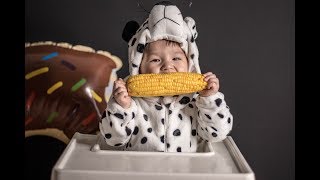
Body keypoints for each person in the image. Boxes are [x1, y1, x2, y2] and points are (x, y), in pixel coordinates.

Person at [99, 1, 233, 152]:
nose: (167, 66)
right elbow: (113, 140)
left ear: (190, 63)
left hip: (185, 172)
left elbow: (217, 134)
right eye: (156, 60)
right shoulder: (130, 100)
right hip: (139, 171)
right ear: (138, 66)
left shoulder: (196, 100)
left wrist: (209, 99)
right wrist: (121, 107)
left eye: (176, 58)